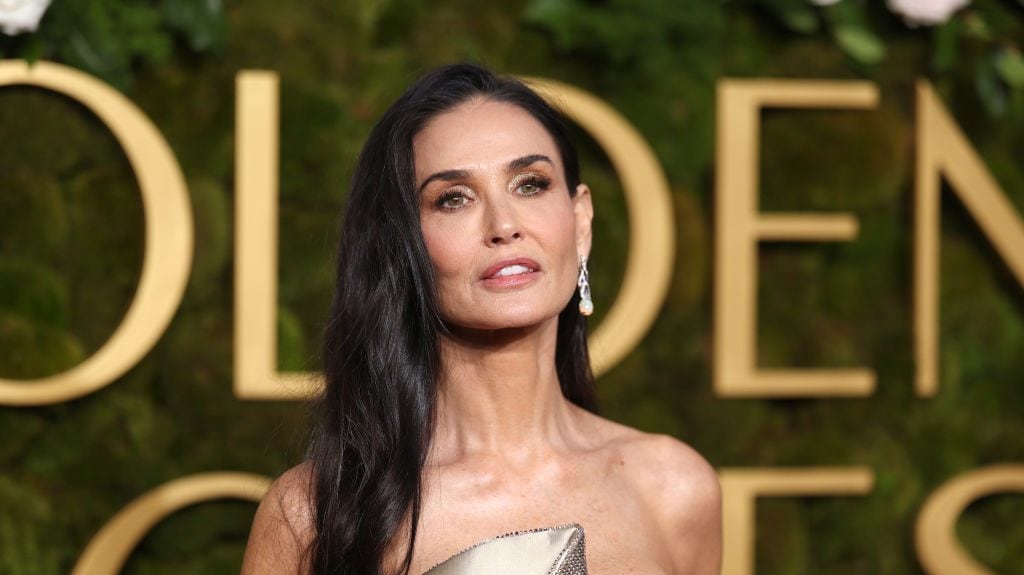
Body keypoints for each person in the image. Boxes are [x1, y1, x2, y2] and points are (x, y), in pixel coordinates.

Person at [241, 63, 722, 575]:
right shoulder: (313, 516)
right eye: (453, 198)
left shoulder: (674, 489)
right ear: (401, 246)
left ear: (580, 223)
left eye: (530, 184)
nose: (504, 225)